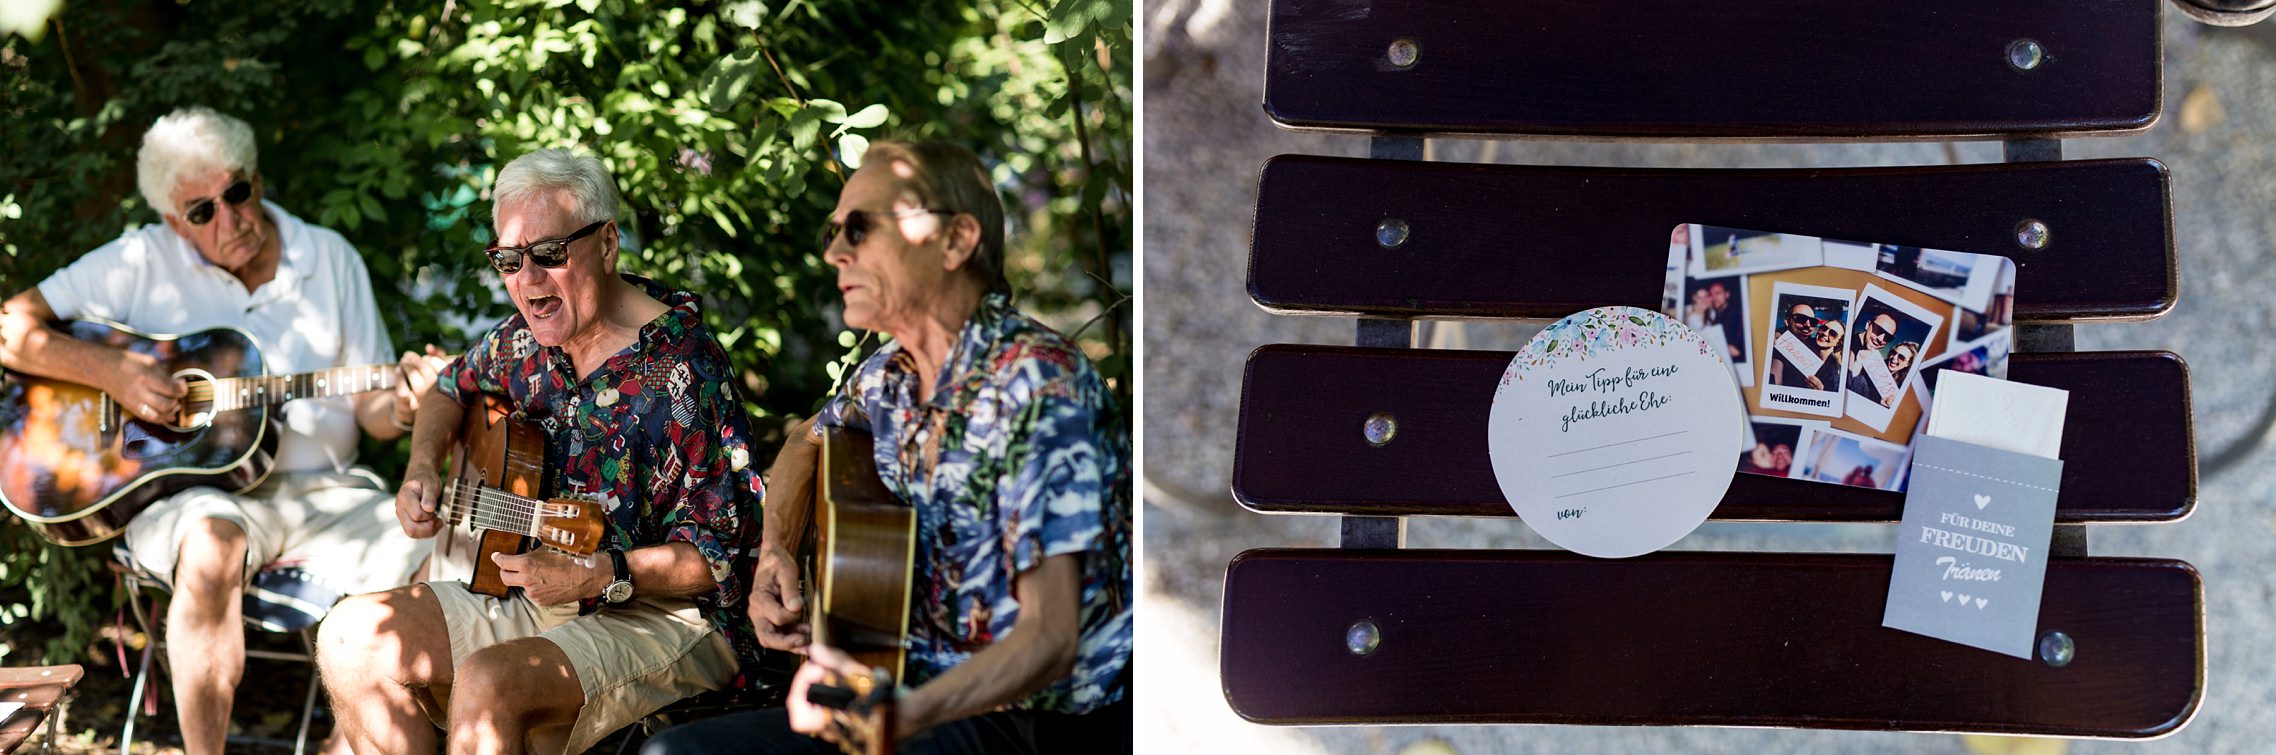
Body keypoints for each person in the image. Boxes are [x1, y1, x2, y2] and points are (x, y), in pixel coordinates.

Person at [643, 139, 1133, 754]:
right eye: (833, 230)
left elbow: (1051, 636)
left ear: (955, 240)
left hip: (1027, 723)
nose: (833, 252)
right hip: (902, 691)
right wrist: (777, 557)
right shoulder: (888, 375)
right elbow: (806, 442)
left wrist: (903, 715)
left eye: (860, 228)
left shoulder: (1038, 383)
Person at [0, 106, 437, 755]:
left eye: (236, 193)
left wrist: (404, 406)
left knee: (435, 544)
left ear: (257, 182)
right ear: (175, 222)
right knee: (211, 541)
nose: (228, 218)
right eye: (201, 211)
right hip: (193, 499)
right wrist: (110, 369)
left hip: (328, 494)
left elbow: (372, 407)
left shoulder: (330, 258)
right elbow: (12, 326)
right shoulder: (139, 260)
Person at [314, 149, 765, 755]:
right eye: (508, 259)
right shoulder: (524, 341)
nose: (527, 281)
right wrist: (421, 467)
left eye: (550, 254)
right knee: (348, 635)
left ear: (607, 244)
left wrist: (601, 573)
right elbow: (449, 387)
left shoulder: (686, 369)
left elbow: (717, 558)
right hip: (542, 594)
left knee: (490, 681)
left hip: (668, 616)